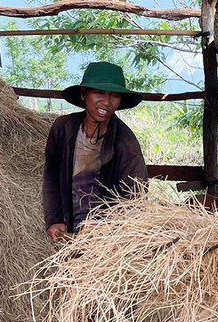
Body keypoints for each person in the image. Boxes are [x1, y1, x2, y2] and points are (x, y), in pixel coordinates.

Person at [42, 61, 148, 242]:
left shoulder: (125, 143)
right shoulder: (63, 129)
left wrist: (108, 236)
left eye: (114, 96)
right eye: (99, 93)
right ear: (84, 94)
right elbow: (52, 175)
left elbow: (135, 198)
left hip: (105, 239)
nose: (106, 102)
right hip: (69, 233)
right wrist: (55, 219)